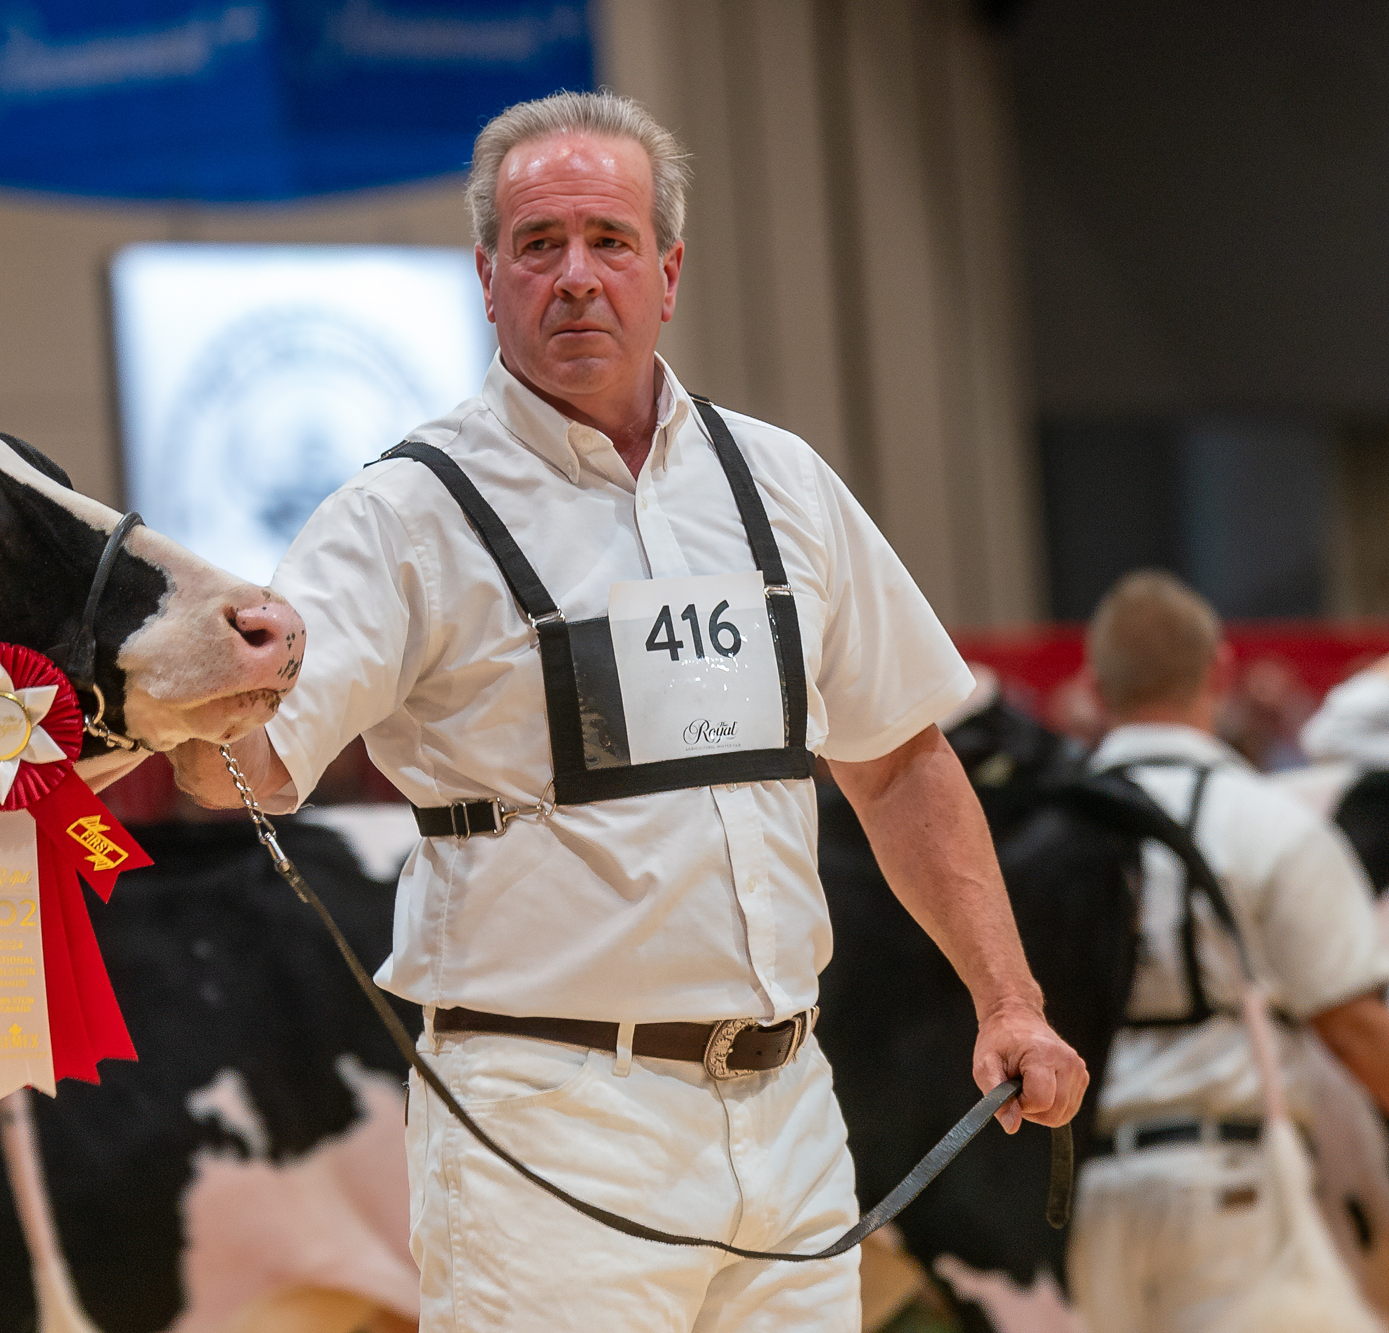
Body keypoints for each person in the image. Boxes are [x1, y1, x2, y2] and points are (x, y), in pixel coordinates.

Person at [172, 90, 1085, 1333]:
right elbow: (244, 767)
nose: (574, 276)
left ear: (667, 270)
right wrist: (186, 688)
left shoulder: (780, 483)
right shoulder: (400, 515)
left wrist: (1008, 998)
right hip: (546, 1123)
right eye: (537, 244)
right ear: (486, 277)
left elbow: (896, 759)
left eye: (608, 240)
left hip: (788, 1110)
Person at [1070, 570, 1389, 1333]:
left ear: (1096, 687)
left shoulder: (1045, 833)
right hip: (1228, 1184)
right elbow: (1353, 1028)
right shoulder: (1271, 824)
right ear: (1220, 670)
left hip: (1086, 1193)